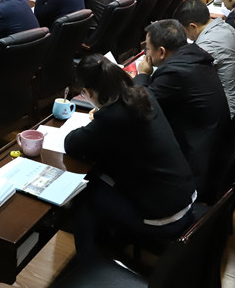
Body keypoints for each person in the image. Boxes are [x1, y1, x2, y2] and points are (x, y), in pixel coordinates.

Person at [64, 54, 196, 258]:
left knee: (84, 192)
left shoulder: (110, 117)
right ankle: (109, 240)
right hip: (184, 198)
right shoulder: (143, 95)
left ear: (88, 92)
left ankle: (88, 263)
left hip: (164, 219)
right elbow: (141, 83)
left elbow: (71, 144)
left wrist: (97, 120)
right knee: (103, 173)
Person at [134, 20, 230, 197]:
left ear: (161, 52)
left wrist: (142, 76)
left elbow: (141, 105)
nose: (146, 53)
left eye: (147, 48)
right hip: (213, 147)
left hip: (196, 161)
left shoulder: (175, 72)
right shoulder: (194, 56)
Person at [175, 0, 235, 118]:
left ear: (192, 26)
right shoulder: (225, 27)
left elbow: (183, 73)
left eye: (184, 31)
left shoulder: (207, 44)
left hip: (226, 111)